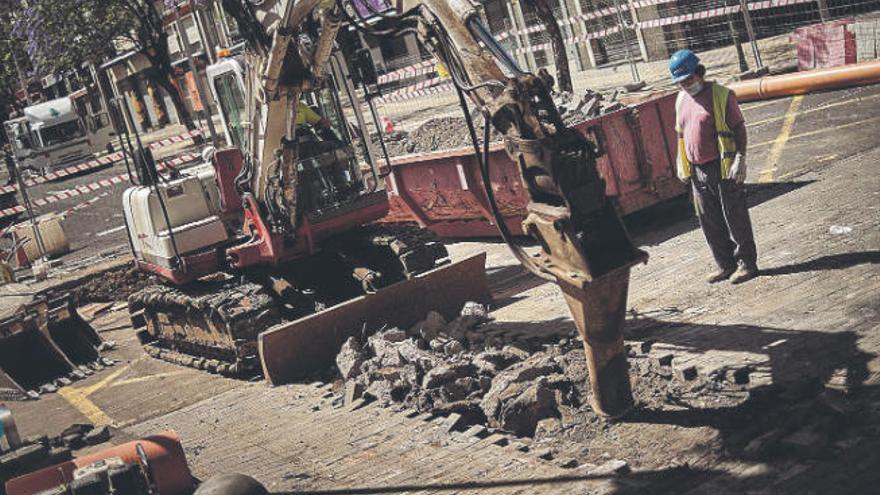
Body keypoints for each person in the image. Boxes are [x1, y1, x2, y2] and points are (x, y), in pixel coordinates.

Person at [670, 49, 758, 284]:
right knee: (709, 221)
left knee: (734, 216)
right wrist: (682, 162)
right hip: (697, 170)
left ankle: (746, 263)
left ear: (700, 73)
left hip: (723, 166)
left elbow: (739, 128)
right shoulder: (681, 100)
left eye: (689, 79)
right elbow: (681, 133)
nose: (686, 85)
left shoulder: (721, 95)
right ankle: (726, 264)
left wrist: (741, 157)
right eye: (680, 82)